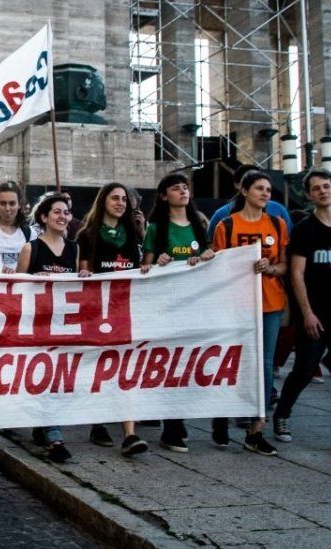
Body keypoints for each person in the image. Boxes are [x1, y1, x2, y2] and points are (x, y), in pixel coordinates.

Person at [271, 169, 331, 459]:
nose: (322, 191)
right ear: (311, 195)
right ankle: (282, 413)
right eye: (316, 188)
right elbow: (297, 275)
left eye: (326, 186)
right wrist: (307, 313)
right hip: (314, 313)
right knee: (303, 369)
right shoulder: (304, 229)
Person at [210, 170, 286, 457]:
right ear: (244, 191)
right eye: (259, 188)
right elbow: (217, 265)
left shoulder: (277, 225)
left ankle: (257, 428)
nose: (265, 193)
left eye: (268, 189)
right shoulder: (227, 226)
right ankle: (221, 415)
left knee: (264, 364)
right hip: (235, 303)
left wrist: (271, 268)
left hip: (270, 302)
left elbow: (284, 265)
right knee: (232, 361)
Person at [141, 172, 215, 453]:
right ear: (164, 196)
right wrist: (159, 262)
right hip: (166, 306)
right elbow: (144, 266)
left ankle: (178, 419)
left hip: (194, 305)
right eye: (176, 188)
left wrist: (208, 257)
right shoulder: (156, 228)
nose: (183, 192)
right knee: (169, 365)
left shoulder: (198, 224)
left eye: (186, 188)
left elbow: (211, 257)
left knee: (188, 365)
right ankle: (172, 424)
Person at [76, 183, 149, 457]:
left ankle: (130, 434)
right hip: (97, 311)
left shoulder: (133, 234)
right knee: (100, 369)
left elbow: (142, 264)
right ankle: (98, 422)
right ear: (103, 201)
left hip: (125, 310)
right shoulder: (88, 235)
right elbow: (83, 269)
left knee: (124, 369)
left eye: (124, 200)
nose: (120, 203)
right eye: (115, 198)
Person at [16, 193, 79, 463]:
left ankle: (45, 426)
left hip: (64, 325)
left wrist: (84, 277)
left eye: (66, 212)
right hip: (37, 325)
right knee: (44, 378)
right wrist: (31, 280)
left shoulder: (74, 249)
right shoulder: (31, 248)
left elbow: (78, 286)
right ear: (44, 217)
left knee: (57, 380)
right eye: (57, 212)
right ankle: (55, 438)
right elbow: (15, 289)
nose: (63, 216)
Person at [207, 164, 293, 238]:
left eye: (268, 190)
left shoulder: (279, 211)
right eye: (247, 180)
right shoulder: (222, 216)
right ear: (238, 185)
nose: (265, 193)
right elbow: (211, 247)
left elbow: (287, 243)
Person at [0, 181, 33, 273]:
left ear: (19, 205)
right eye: (3, 203)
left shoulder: (30, 233)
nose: (7, 209)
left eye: (12, 203)